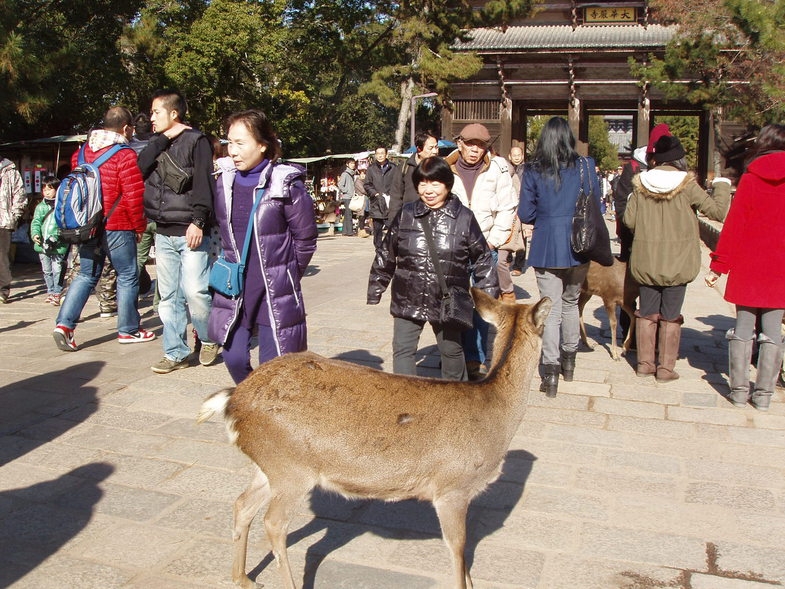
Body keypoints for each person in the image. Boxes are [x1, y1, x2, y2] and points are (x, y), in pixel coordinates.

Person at [208, 109, 317, 385]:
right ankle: (255, 402)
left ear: (262, 144)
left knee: (274, 369)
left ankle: (267, 413)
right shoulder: (224, 182)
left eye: (240, 143)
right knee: (233, 358)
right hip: (236, 288)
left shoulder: (285, 184)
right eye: (229, 142)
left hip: (273, 291)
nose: (233, 151)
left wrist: (288, 274)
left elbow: (305, 239)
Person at [368, 157, 498, 380]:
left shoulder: (464, 218)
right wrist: (376, 286)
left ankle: (454, 399)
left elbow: (483, 260)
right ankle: (408, 400)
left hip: (446, 298)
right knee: (403, 350)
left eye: (435, 183)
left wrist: (487, 298)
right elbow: (386, 253)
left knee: (451, 351)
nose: (428, 190)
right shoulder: (406, 214)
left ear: (447, 184)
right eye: (423, 183)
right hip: (408, 294)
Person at [624, 134, 730, 382]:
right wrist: (722, 185)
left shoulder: (641, 184)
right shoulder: (688, 185)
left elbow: (629, 221)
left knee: (647, 312)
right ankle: (665, 369)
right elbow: (717, 211)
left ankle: (644, 364)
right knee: (671, 315)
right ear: (678, 159)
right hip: (679, 262)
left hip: (646, 260)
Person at [52, 106, 155, 351]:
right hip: (118, 224)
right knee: (128, 274)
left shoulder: (82, 152)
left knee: (87, 275)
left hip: (87, 225)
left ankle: (64, 325)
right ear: (126, 128)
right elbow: (133, 194)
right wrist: (139, 225)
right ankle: (128, 329)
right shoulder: (124, 154)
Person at [137, 89, 218, 373]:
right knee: (168, 296)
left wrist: (198, 220)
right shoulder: (156, 143)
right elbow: (141, 165)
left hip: (190, 230)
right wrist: (161, 139)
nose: (152, 118)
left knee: (195, 290)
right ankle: (175, 352)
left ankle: (208, 338)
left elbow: (204, 184)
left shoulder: (197, 141)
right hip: (163, 230)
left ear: (174, 113)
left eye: (156, 112)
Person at [705, 124, 785, 410]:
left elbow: (734, 228)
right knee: (773, 332)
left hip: (749, 266)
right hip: (780, 269)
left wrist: (718, 267)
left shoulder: (751, 180)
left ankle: (739, 392)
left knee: (743, 329)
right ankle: (763, 397)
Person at [519, 116, 599, 397]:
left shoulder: (532, 170)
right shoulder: (585, 167)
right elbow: (595, 203)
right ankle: (569, 363)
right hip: (579, 244)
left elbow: (526, 213)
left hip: (546, 245)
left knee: (550, 311)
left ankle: (550, 373)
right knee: (571, 303)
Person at [445, 123, 517, 379]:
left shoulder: (498, 169)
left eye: (480, 145)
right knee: (455, 302)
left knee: (482, 304)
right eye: (470, 144)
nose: (474, 150)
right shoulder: (446, 168)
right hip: (454, 247)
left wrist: (494, 240)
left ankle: (476, 358)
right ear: (460, 143)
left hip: (486, 245)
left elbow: (508, 207)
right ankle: (456, 355)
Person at [30, 176, 68, 305]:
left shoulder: (62, 205)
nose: (46, 192)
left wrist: (58, 236)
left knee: (58, 269)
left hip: (58, 244)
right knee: (47, 270)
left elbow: (64, 224)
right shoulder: (40, 207)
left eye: (50, 189)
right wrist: (35, 234)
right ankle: (50, 291)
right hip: (42, 244)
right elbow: (36, 222)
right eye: (44, 189)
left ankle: (58, 292)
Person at [387, 131, 439, 224]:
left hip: (434, 221)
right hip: (410, 220)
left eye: (436, 147)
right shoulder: (404, 168)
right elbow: (396, 197)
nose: (435, 151)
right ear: (419, 149)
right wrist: (394, 223)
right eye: (431, 148)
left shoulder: (440, 168)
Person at [363, 146, 402, 249]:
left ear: (386, 154)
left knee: (392, 228)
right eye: (378, 153)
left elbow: (398, 184)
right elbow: (367, 185)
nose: (380, 155)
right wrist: (375, 194)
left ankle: (390, 250)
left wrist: (393, 196)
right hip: (377, 203)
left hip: (391, 203)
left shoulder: (394, 168)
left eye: (382, 153)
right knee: (377, 230)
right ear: (375, 155)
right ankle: (379, 251)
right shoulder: (371, 169)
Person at [0, 154, 27, 304]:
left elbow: (20, 194)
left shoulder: (10, 170)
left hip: (3, 220)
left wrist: (14, 214)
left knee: (2, 257)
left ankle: (3, 290)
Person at [507, 145, 530, 276]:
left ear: (522, 156)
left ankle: (519, 265)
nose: (516, 157)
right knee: (507, 232)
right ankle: (508, 258)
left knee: (522, 235)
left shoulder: (527, 170)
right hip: (509, 205)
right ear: (509, 156)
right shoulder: (506, 169)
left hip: (523, 204)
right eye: (514, 155)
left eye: (518, 155)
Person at [337, 159, 357, 236]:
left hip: (351, 196)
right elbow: (340, 185)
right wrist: (347, 191)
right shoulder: (345, 174)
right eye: (351, 163)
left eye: (354, 163)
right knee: (349, 214)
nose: (353, 165)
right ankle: (349, 232)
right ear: (347, 164)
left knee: (347, 214)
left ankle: (345, 231)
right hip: (347, 197)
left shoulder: (352, 174)